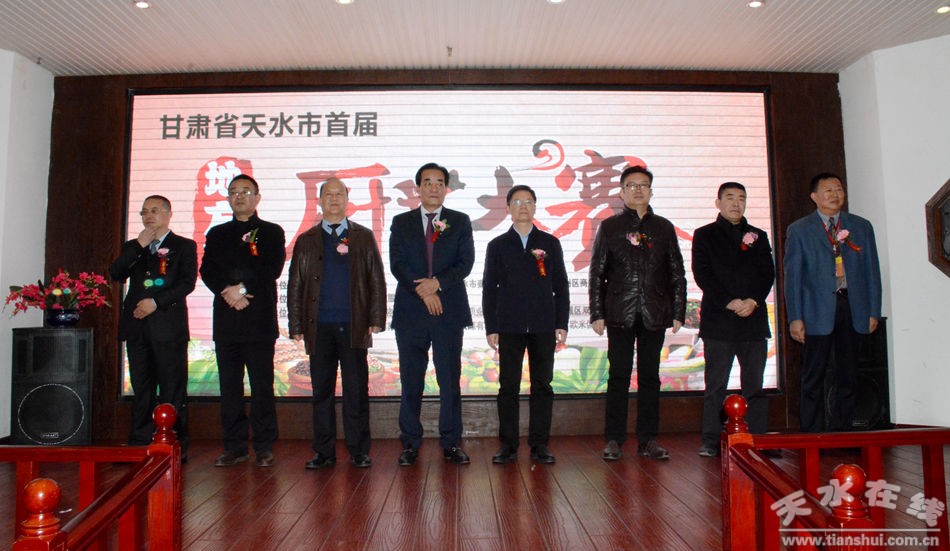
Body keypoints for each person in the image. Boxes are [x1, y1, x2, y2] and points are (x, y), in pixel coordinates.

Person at [287, 178, 387, 469]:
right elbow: (296, 284)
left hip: (354, 326)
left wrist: (376, 318)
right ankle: (324, 451)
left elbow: (376, 279)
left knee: (356, 390)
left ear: (346, 199)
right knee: (322, 392)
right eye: (328, 194)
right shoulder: (307, 239)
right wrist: (296, 324)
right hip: (319, 327)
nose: (333, 199)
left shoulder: (362, 236)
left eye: (339, 194)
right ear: (319, 200)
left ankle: (359, 450)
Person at [589, 165, 686, 461]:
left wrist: (678, 311)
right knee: (618, 376)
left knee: (650, 377)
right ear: (622, 192)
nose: (638, 190)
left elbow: (677, 272)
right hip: (620, 311)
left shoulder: (664, 227)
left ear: (651, 192)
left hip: (655, 312)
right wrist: (597, 313)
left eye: (643, 185)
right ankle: (614, 439)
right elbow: (597, 273)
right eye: (632, 185)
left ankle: (648, 439)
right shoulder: (610, 227)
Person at [390, 162, 475, 466]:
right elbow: (397, 264)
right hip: (411, 313)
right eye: (427, 182)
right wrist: (424, 292)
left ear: (446, 188)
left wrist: (437, 284)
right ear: (418, 188)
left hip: (448, 311)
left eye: (439, 182)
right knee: (411, 380)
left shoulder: (460, 221)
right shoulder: (401, 222)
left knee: (449, 379)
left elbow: (465, 263)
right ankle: (410, 443)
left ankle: (451, 442)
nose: (433, 187)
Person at [784, 172, 882, 432]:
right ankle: (812, 435)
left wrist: (874, 310)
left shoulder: (861, 226)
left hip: (853, 307)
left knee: (848, 376)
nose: (834, 195)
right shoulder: (799, 230)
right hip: (816, 311)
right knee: (813, 377)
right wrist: (795, 317)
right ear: (814, 197)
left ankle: (843, 433)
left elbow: (872, 271)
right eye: (828, 190)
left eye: (838, 189)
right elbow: (793, 279)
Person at [199, 174, 286, 467]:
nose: (239, 196)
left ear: (257, 198)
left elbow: (271, 268)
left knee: (262, 386)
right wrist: (228, 291)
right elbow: (207, 270)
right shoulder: (217, 233)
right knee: (230, 387)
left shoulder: (271, 231)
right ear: (228, 199)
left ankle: (264, 446)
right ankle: (234, 446)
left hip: (259, 320)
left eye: (246, 192)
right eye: (234, 192)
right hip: (227, 320)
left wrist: (243, 289)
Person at [482, 185, 569, 465]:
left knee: (542, 385)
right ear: (508, 207)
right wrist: (491, 326)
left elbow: (561, 285)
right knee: (508, 386)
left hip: (544, 325)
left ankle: (539, 444)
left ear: (535, 207)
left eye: (528, 201)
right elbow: (489, 288)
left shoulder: (550, 243)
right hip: (509, 326)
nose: (523, 206)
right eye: (517, 202)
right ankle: (508, 445)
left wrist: (561, 322)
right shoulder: (497, 245)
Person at [109, 195, 197, 456]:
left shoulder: (184, 246)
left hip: (168, 327)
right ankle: (139, 443)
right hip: (137, 327)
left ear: (168, 214)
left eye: (155, 211)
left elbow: (187, 283)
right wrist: (139, 245)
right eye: (144, 212)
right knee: (141, 387)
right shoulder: (133, 246)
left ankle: (174, 445)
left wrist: (156, 302)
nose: (149, 216)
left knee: (172, 387)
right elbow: (116, 273)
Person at [692, 182, 775, 457]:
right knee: (716, 385)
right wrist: (728, 301)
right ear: (718, 203)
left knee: (755, 386)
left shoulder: (758, 236)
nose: (736, 203)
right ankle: (711, 440)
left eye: (741, 198)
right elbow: (702, 274)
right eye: (730, 198)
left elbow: (767, 273)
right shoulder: (704, 235)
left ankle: (757, 438)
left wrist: (753, 301)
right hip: (719, 321)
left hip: (753, 320)